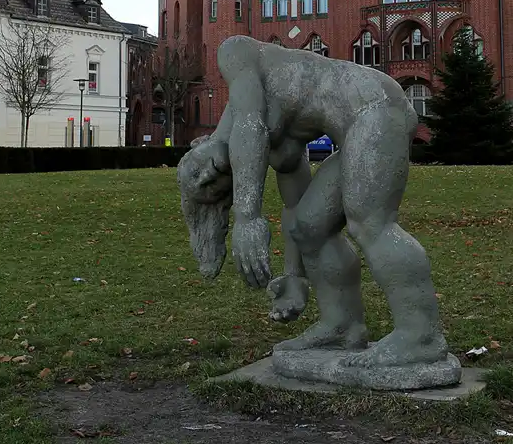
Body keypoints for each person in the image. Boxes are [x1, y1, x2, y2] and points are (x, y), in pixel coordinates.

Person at [178, 35, 449, 370]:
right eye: (213, 188)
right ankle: (343, 325)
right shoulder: (281, 149)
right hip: (358, 126)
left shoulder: (236, 53)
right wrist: (295, 278)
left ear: (197, 144)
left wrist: (248, 217)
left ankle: (420, 336)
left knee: (370, 222)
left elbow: (251, 125)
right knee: (311, 226)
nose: (207, 176)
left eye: (194, 170)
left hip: (373, 106)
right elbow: (295, 210)